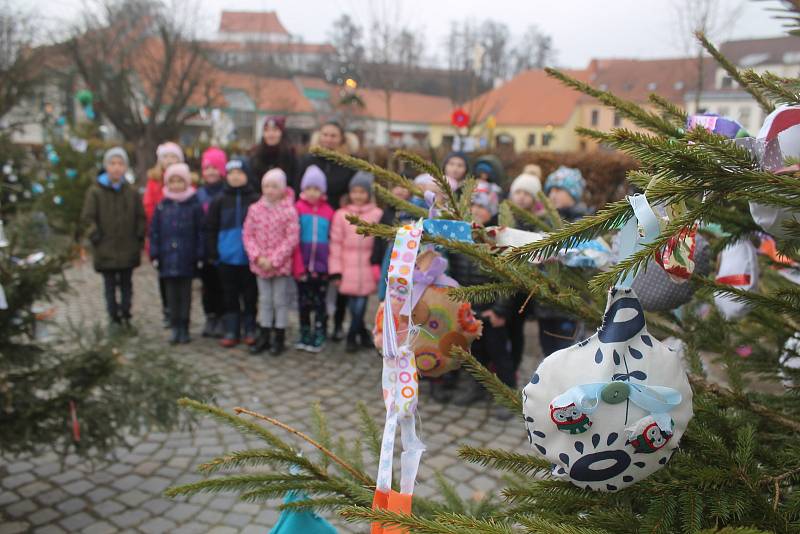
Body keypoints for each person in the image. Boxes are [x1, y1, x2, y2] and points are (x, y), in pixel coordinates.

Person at [448, 189, 515, 419]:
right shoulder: (458, 237)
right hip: (466, 311)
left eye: (482, 207)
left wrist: (499, 310)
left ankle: (508, 396)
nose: (476, 210)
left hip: (491, 311)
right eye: (473, 206)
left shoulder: (498, 240)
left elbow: (509, 278)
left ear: (492, 212)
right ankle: (475, 387)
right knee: (473, 353)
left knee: (499, 354)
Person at [297, 121, 357, 341]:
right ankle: (310, 321)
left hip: (338, 222)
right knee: (314, 276)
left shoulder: (348, 164)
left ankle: (337, 322)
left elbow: (353, 194)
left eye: (334, 135)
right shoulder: (307, 161)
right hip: (313, 223)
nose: (329, 139)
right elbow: (298, 190)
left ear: (341, 139)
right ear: (319, 137)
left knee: (338, 274)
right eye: (325, 134)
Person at [80, 147, 146, 335]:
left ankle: (126, 315)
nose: (116, 168)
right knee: (110, 286)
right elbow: (88, 218)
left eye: (120, 163)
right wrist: (95, 236)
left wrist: (139, 236)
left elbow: (140, 216)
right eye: (112, 163)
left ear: (125, 167)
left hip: (127, 247)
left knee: (127, 285)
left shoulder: (131, 192)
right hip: (105, 248)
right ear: (106, 166)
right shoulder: (95, 192)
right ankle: (113, 318)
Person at [243, 169, 300, 356]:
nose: (270, 190)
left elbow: (291, 238)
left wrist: (274, 260)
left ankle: (279, 337)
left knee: (279, 301)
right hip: (260, 265)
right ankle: (264, 334)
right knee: (265, 300)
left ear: (283, 188)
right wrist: (258, 257)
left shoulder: (289, 211)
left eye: (274, 186)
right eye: (266, 186)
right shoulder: (254, 209)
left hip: (280, 266)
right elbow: (248, 235)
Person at [207, 157, 260, 348]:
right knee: (229, 295)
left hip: (249, 259)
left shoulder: (255, 200)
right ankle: (232, 329)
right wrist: (213, 252)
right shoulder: (219, 200)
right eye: (231, 173)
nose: (235, 177)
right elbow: (211, 228)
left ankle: (250, 328)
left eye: (240, 173)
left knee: (250, 295)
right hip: (226, 257)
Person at [148, 163, 204, 344]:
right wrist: (155, 254)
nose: (176, 185)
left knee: (185, 296)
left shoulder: (194, 205)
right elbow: (154, 232)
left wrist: (199, 254)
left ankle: (185, 326)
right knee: (171, 296)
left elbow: (200, 232)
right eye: (172, 181)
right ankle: (175, 326)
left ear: (187, 183)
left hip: (187, 259)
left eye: (180, 181)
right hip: (167, 259)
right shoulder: (162, 206)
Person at [537, 166, 589, 356]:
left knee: (570, 352)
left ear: (573, 193)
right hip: (545, 303)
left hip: (571, 302)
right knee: (548, 352)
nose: (553, 195)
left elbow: (589, 255)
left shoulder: (583, 221)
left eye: (559, 190)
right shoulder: (543, 222)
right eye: (550, 190)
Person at [329, 172, 383, 353]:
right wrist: (336, 270)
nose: (358, 196)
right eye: (355, 192)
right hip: (347, 266)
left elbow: (379, 243)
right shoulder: (341, 214)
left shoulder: (377, 214)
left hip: (367, 267)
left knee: (361, 304)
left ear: (369, 193)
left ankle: (352, 335)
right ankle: (361, 333)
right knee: (353, 305)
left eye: (362, 192)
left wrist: (378, 268)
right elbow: (335, 244)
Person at [292, 165, 335, 353]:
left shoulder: (329, 211)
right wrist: (298, 267)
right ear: (303, 189)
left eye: (316, 189)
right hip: (303, 266)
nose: (312, 192)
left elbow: (333, 240)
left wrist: (329, 267)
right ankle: (304, 332)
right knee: (303, 303)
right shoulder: (298, 209)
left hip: (322, 267)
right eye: (309, 188)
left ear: (322, 190)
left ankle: (319, 333)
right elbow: (293, 240)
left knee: (320, 303)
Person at [143, 141, 185, 329]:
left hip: (182, 235)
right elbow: (149, 207)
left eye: (173, 156)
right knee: (164, 276)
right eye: (166, 157)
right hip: (162, 233)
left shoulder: (184, 180)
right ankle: (168, 309)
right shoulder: (153, 182)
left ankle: (180, 312)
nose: (169, 160)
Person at [196, 147, 227, 338]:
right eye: (207, 168)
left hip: (221, 245)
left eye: (215, 168)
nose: (211, 172)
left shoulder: (225, 193)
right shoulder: (198, 194)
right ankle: (210, 316)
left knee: (222, 284)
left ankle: (223, 317)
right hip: (203, 246)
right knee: (207, 286)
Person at [371, 184, 414, 302]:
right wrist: (375, 262)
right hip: (387, 260)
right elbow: (378, 239)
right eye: (397, 185)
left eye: (404, 186)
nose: (400, 189)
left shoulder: (414, 213)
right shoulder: (387, 212)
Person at [249, 116, 296, 191]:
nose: (270, 134)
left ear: (282, 133)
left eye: (275, 130)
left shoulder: (290, 154)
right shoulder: (255, 154)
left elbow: (294, 181)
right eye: (266, 130)